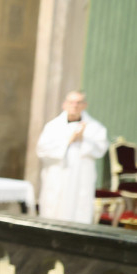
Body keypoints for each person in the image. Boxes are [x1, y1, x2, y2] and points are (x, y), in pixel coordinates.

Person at [36, 91, 109, 224]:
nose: (74, 106)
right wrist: (68, 141)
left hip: (81, 178)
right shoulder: (53, 126)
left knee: (79, 207)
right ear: (64, 104)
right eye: (71, 102)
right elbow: (42, 149)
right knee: (54, 207)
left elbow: (100, 149)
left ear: (84, 105)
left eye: (78, 102)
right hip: (57, 176)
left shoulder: (94, 127)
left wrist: (82, 140)